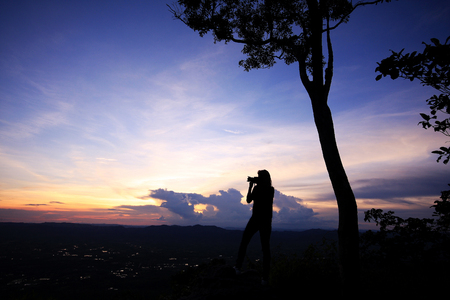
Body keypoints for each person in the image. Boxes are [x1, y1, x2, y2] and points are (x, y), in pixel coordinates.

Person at [235, 169, 275, 285]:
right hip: (265, 220)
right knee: (265, 249)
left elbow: (248, 200)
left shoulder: (263, 189)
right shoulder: (270, 189)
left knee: (245, 242)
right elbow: (249, 200)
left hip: (258, 219)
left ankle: (238, 267)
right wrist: (252, 186)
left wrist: (252, 186)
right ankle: (265, 278)